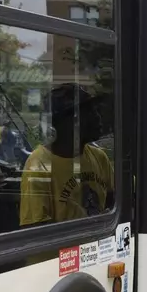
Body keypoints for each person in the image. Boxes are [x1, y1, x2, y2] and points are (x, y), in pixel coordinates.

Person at [19, 83, 114, 227]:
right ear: (68, 122)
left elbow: (114, 203)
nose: (98, 117)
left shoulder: (99, 157)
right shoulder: (39, 165)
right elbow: (35, 230)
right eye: (89, 112)